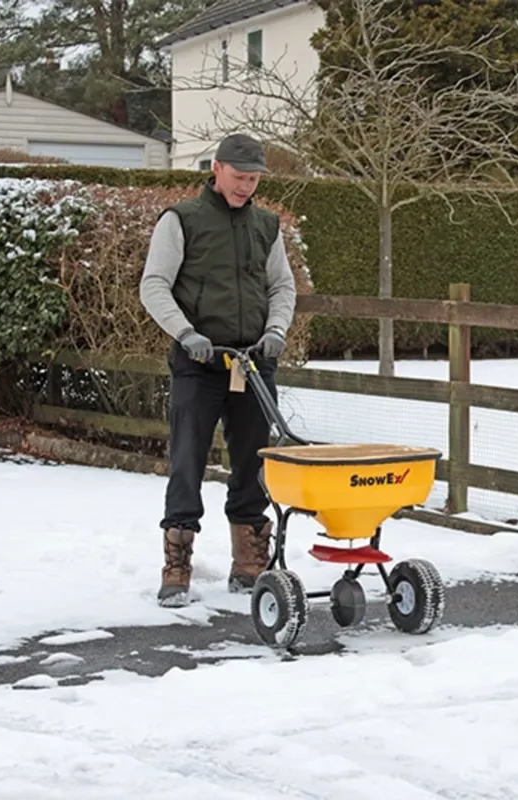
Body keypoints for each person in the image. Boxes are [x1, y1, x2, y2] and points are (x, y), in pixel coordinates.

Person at [139, 133, 297, 607]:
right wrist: (187, 334)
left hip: (253, 363)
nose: (246, 187)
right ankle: (177, 561)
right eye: (240, 177)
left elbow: (281, 287)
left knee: (253, 461)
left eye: (253, 179)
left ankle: (249, 560)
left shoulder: (266, 226)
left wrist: (276, 332)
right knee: (187, 459)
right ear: (217, 168)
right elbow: (154, 286)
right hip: (199, 362)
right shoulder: (181, 220)